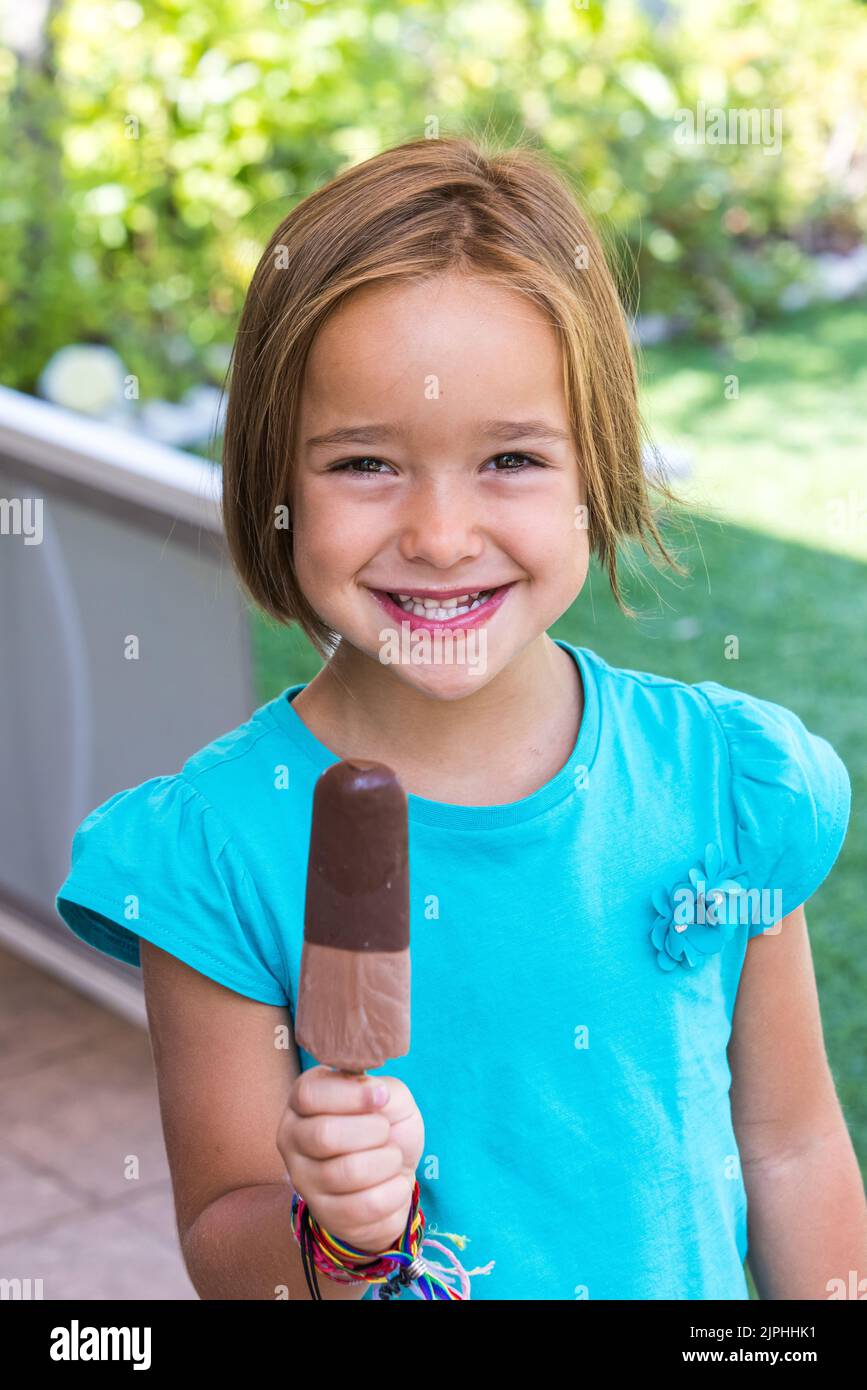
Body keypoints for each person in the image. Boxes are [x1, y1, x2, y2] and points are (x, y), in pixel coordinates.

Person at [55, 134, 864, 1300]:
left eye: (513, 459)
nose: (439, 534)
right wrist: (335, 1229)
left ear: (601, 471)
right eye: (367, 463)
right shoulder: (219, 848)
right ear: (273, 483)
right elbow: (225, 1244)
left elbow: (790, 1144)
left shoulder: (722, 785)